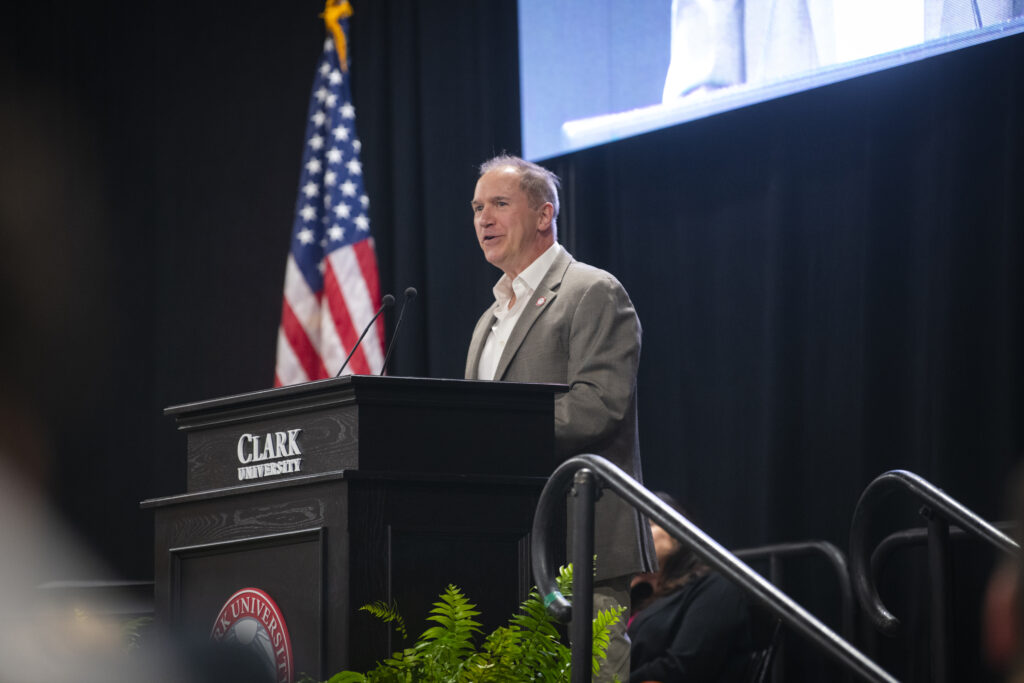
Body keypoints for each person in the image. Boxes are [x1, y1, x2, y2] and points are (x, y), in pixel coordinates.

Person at [466, 154, 656, 682]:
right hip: (509, 546)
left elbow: (598, 405)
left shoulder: (592, 292)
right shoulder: (489, 320)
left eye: (500, 204)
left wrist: (492, 438)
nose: (484, 218)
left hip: (583, 541)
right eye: (478, 207)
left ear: (544, 214)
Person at [628, 493, 755, 683]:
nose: (635, 536)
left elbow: (685, 668)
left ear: (677, 533)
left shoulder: (715, 586)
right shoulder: (636, 595)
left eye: (648, 524)